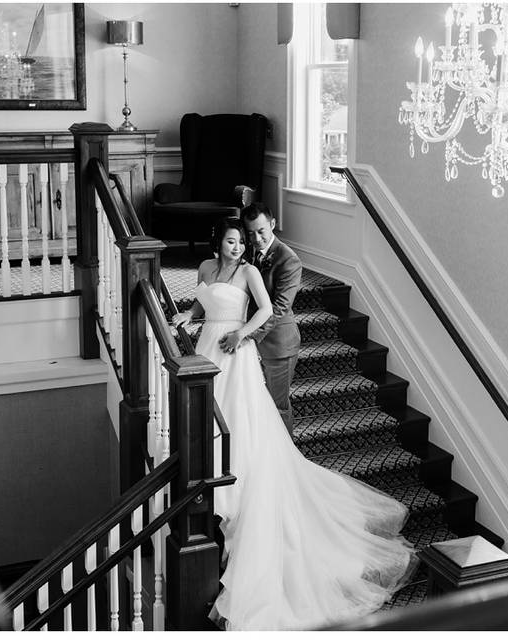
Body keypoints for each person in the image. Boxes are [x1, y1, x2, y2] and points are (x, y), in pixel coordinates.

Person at [171, 218, 417, 631]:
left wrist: (242, 336)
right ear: (219, 241)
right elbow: (202, 304)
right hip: (206, 345)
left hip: (233, 351)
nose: (236, 247)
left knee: (238, 418)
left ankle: (234, 482)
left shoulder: (249, 272)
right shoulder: (204, 268)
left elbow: (267, 308)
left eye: (241, 242)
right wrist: (187, 318)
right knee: (205, 410)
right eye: (231, 241)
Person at [238, 203, 303, 434]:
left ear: (273, 225)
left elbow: (280, 307)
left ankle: (287, 459)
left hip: (279, 345)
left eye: (261, 231)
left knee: (277, 405)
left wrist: (249, 336)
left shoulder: (288, 259)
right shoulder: (249, 252)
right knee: (258, 404)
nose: (256, 238)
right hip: (255, 339)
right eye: (251, 232)